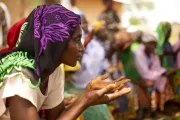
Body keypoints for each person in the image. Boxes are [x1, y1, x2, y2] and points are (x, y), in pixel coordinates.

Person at [0, 4, 131, 120]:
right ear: (57, 42)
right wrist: (85, 100)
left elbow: (56, 117)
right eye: (77, 40)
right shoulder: (20, 76)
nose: (82, 47)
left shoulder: (53, 70)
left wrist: (88, 95)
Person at [133, 32, 174, 112]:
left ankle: (160, 107)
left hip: (151, 75)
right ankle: (148, 109)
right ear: (145, 43)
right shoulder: (138, 52)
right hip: (137, 77)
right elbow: (143, 72)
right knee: (152, 84)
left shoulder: (152, 52)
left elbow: (157, 67)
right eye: (151, 44)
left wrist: (163, 72)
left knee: (165, 81)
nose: (153, 46)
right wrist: (161, 73)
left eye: (154, 44)